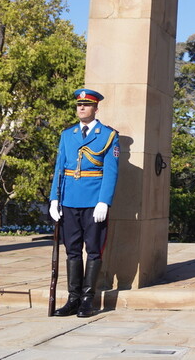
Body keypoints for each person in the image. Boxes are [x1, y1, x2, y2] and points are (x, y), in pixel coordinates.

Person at [48, 88, 120, 317]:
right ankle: (73, 299)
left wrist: (104, 201)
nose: (81, 108)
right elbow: (60, 169)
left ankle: (88, 300)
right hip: (69, 200)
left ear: (95, 108)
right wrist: (54, 198)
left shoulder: (108, 135)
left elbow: (111, 172)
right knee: (72, 251)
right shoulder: (67, 135)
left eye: (87, 105)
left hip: (93, 201)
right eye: (79, 105)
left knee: (94, 251)